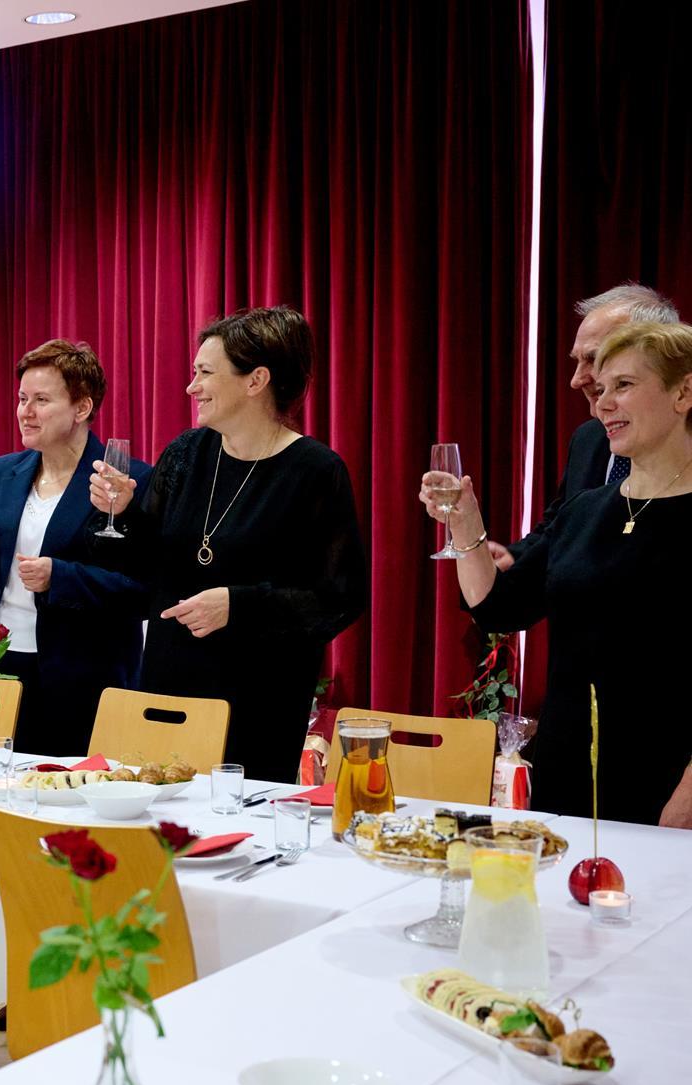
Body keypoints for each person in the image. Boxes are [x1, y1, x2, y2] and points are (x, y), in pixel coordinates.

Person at [423, 322, 692, 823]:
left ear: (684, 393)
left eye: (624, 385)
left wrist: (687, 802)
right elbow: (496, 606)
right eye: (602, 389)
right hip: (564, 777)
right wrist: (465, 523)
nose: (602, 403)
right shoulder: (584, 510)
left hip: (667, 788)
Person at [90, 306, 367, 782]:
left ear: (256, 380)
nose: (191, 387)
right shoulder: (185, 453)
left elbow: (339, 598)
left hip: (259, 699)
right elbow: (143, 566)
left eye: (205, 373)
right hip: (171, 684)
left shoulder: (316, 472)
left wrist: (238, 605)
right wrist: (119, 513)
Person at [0, 340, 150, 754]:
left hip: (81, 676)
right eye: (22, 399)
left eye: (41, 400)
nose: (25, 412)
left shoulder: (127, 481)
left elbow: (141, 593)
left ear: (81, 408)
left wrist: (59, 577)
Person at [496, 283, 679, 567]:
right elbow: (559, 530)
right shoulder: (589, 438)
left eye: (594, 359)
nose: (576, 380)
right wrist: (510, 558)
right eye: (577, 361)